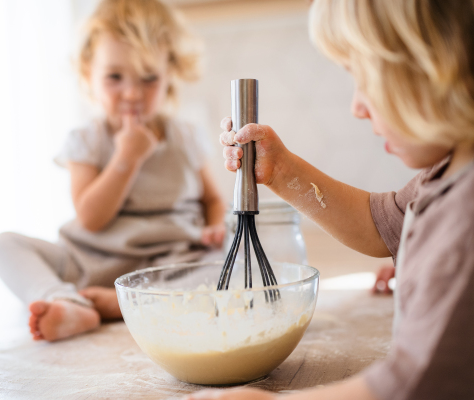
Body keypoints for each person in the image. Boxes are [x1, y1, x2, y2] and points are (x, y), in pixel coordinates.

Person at [186, 0, 474, 399]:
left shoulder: (467, 214)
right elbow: (379, 226)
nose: (357, 107)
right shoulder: (447, 176)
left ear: (436, 68)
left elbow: (414, 387)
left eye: (364, 78)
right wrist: (281, 171)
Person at [0, 0, 226, 342]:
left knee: (229, 261)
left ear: (170, 74)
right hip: (89, 262)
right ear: (88, 73)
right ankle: (65, 299)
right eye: (115, 77)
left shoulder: (185, 137)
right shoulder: (86, 140)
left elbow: (214, 199)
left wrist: (216, 226)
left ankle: (121, 304)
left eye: (149, 78)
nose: (132, 93)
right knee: (4, 246)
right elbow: (90, 218)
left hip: (168, 264)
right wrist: (125, 159)